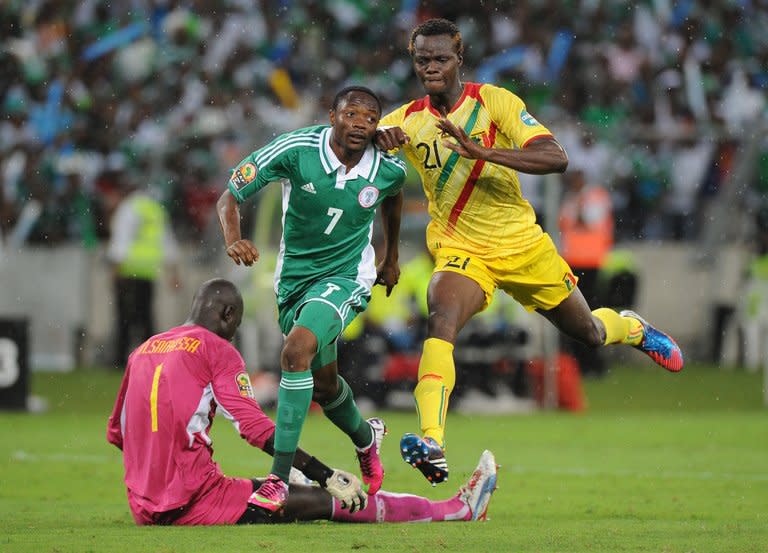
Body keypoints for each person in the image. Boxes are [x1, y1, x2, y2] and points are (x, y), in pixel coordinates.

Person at [375, 18, 684, 486]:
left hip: (522, 245)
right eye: (422, 60)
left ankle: (632, 327)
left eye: (440, 59)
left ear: (460, 59)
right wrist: (377, 145)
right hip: (462, 248)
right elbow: (363, 164)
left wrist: (484, 153)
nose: (431, 67)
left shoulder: (494, 102)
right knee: (440, 317)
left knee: (591, 333)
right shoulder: (403, 121)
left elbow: (555, 157)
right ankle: (433, 442)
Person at [107, 278, 498, 525]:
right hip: (192, 502)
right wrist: (324, 473)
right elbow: (256, 429)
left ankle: (300, 480)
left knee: (290, 489)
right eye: (237, 323)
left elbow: (119, 431)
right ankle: (457, 509)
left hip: (142, 506)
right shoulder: (216, 350)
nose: (235, 333)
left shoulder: (143, 350)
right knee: (328, 500)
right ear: (228, 314)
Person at [216, 86, 407, 512]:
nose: (360, 124)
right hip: (295, 280)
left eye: (370, 118)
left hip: (346, 277)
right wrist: (234, 239)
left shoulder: (387, 167)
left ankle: (277, 481)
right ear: (331, 115)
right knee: (323, 386)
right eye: (351, 114)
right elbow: (230, 196)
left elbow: (394, 197)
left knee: (295, 350)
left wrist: (389, 257)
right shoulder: (295, 149)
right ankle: (366, 439)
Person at [106, 176, 182, 367]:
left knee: (124, 319)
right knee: (146, 318)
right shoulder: (156, 210)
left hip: (128, 271)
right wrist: (173, 273)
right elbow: (167, 242)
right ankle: (151, 359)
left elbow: (121, 240)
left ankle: (120, 360)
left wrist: (115, 269)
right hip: (148, 272)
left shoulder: (129, 208)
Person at [558, 167, 614, 377]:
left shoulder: (596, 197)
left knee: (590, 312)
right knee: (573, 313)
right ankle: (579, 362)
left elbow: (587, 219)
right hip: (572, 262)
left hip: (591, 262)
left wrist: (577, 201)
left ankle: (594, 363)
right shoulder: (570, 199)